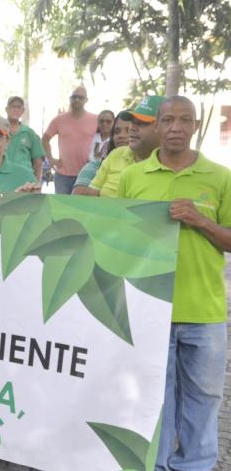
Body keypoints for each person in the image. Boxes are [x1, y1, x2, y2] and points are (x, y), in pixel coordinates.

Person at [116, 96, 231, 471]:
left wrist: (201, 220)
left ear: (195, 126)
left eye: (185, 120)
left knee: (205, 397)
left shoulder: (220, 177)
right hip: (149, 310)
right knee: (153, 397)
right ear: (157, 126)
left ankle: (196, 465)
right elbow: (117, 238)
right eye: (168, 120)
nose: (176, 127)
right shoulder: (133, 177)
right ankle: (158, 464)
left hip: (204, 310)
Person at [88, 96, 165, 197]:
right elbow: (91, 194)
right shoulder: (116, 154)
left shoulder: (171, 166)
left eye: (142, 123)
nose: (132, 128)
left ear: (164, 127)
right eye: (133, 122)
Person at [41, 86, 98, 194]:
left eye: (80, 97)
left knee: (83, 204)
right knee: (61, 205)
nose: (77, 100)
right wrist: (51, 159)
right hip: (63, 176)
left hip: (87, 175)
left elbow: (104, 139)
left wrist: (96, 160)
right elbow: (45, 139)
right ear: (70, 99)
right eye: (74, 97)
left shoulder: (95, 119)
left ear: (86, 100)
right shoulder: (59, 119)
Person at [73, 109, 132, 196]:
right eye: (117, 132)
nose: (121, 135)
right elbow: (79, 196)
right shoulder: (95, 166)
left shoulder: (147, 166)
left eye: (129, 131)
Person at [4, 96, 45, 181]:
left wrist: (36, 182)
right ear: (7, 109)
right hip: (2, 178)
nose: (16, 110)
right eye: (13, 107)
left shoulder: (29, 133)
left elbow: (38, 161)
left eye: (19, 107)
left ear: (23, 111)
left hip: (24, 179)